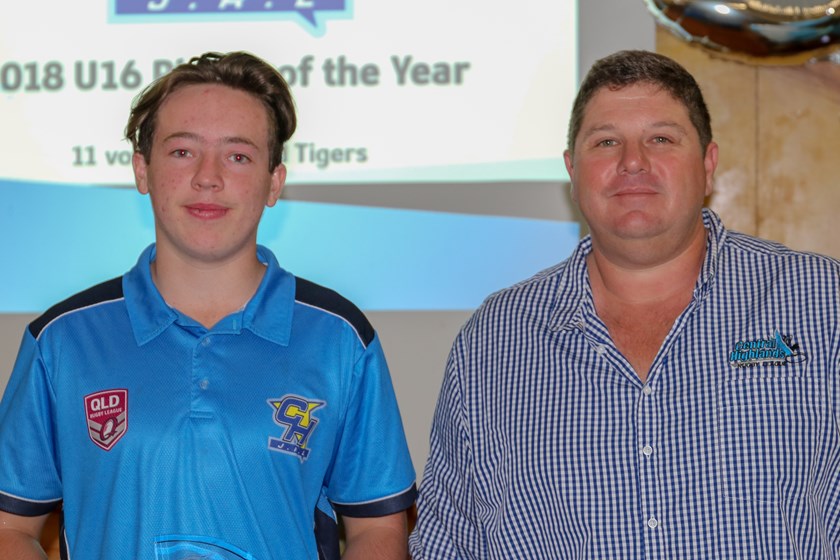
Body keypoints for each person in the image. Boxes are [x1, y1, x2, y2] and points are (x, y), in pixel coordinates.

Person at [409, 50, 840, 558]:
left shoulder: (822, 302)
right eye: (606, 141)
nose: (632, 161)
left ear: (707, 165)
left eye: (661, 138)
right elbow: (449, 543)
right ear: (573, 170)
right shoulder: (493, 341)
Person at [0, 51, 416, 559]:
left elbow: (378, 530)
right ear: (142, 170)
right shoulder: (62, 340)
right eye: (182, 152)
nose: (207, 178)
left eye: (238, 156)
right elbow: (10, 529)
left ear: (274, 182)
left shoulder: (340, 339)